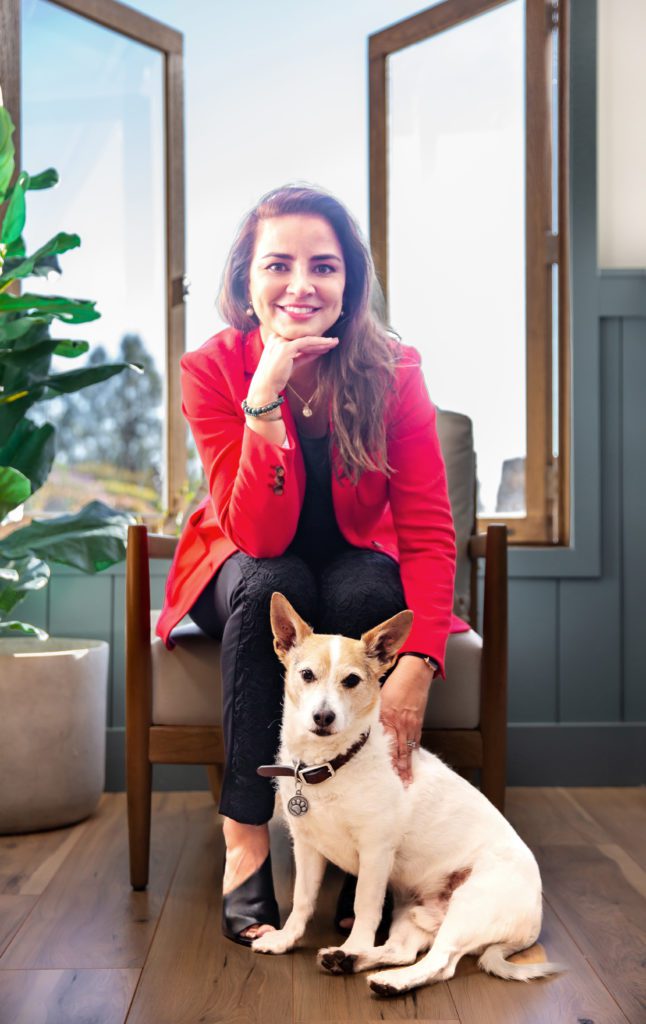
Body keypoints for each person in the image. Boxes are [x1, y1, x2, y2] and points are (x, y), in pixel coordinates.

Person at [156, 183, 468, 947]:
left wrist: (421, 659)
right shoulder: (210, 369)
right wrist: (264, 395)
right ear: (246, 281)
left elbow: (426, 527)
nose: (301, 284)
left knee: (367, 583)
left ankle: (352, 844)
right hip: (241, 560)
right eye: (279, 265)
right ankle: (247, 839)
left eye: (324, 266)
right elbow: (258, 537)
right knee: (275, 579)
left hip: (350, 559)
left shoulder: (394, 368)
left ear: (349, 284)